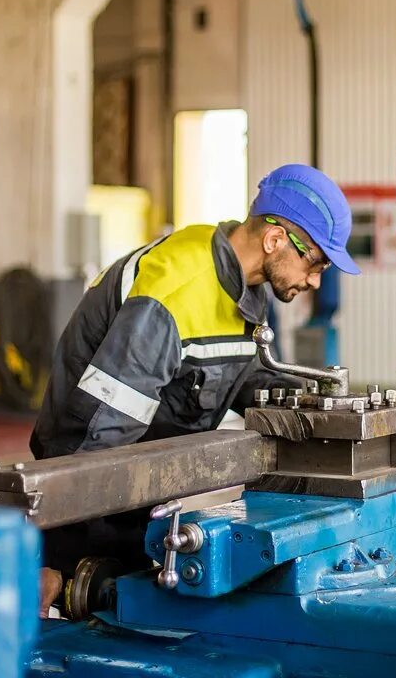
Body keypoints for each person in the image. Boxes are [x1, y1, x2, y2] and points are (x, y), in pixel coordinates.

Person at [31, 164, 360, 615]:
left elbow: (242, 375)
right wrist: (57, 555)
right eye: (316, 263)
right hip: (92, 492)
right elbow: (97, 431)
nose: (315, 281)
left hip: (139, 487)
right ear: (276, 239)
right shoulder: (176, 290)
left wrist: (315, 407)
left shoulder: (247, 286)